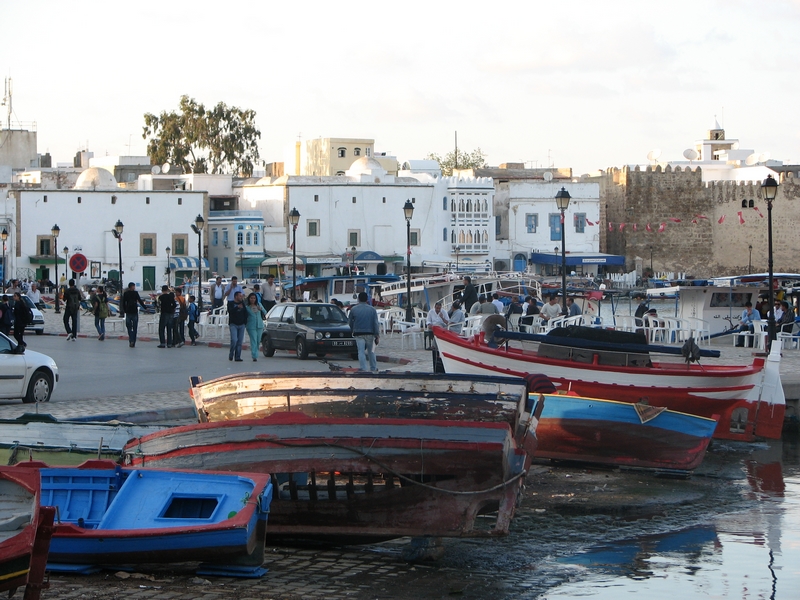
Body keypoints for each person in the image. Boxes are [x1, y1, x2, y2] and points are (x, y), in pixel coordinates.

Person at [348, 291, 380, 372]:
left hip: (358, 333)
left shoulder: (353, 309)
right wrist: (377, 335)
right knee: (371, 351)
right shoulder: (372, 310)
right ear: (367, 299)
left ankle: (363, 368)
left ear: (358, 299)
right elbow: (375, 323)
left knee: (361, 351)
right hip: (370, 333)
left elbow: (350, 322)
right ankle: (373, 368)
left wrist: (352, 330)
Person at [120, 282, 147, 347]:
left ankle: (132, 340)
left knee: (131, 327)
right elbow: (139, 301)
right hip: (132, 311)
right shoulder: (133, 293)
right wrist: (145, 308)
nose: (134, 287)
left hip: (130, 311)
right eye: (133, 286)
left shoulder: (127, 293)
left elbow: (123, 303)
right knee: (132, 327)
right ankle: (132, 340)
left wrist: (124, 310)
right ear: (131, 287)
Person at [245, 292, 267, 361]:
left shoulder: (259, 305)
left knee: (258, 340)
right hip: (251, 326)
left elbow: (265, 312)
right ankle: (254, 355)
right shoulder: (247, 307)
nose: (253, 299)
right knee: (253, 340)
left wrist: (261, 309)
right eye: (251, 298)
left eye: (254, 298)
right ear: (249, 299)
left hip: (259, 325)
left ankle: (255, 352)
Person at [228, 291, 247, 362]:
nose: (241, 297)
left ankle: (237, 356)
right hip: (233, 324)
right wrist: (237, 307)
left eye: (242, 296)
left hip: (241, 324)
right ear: (236, 296)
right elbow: (230, 311)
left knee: (239, 341)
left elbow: (245, 313)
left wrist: (245, 322)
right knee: (234, 340)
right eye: (240, 296)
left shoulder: (243, 304)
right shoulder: (231, 303)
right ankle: (231, 353)